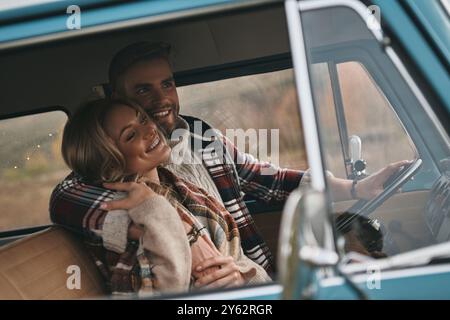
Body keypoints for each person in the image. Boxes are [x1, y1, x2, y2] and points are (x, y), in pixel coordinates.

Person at [50, 41, 410, 283]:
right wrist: (157, 213)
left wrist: (357, 187)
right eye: (143, 90)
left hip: (254, 279)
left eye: (167, 84)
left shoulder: (199, 136)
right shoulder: (103, 176)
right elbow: (66, 199)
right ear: (117, 98)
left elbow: (264, 178)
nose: (162, 100)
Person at [57, 98, 271, 295]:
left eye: (142, 119)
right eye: (130, 135)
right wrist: (159, 212)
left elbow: (240, 260)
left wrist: (240, 277)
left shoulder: (185, 190)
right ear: (110, 161)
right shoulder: (125, 220)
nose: (149, 130)